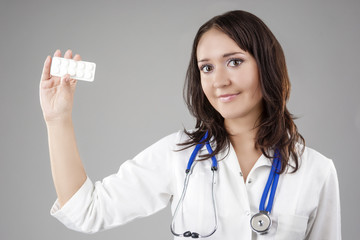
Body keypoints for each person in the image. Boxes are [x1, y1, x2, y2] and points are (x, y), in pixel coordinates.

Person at [39, 10, 341, 239]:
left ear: (267, 64)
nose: (219, 81)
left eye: (234, 61)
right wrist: (57, 119)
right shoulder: (179, 155)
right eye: (206, 68)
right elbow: (87, 211)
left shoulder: (317, 172)